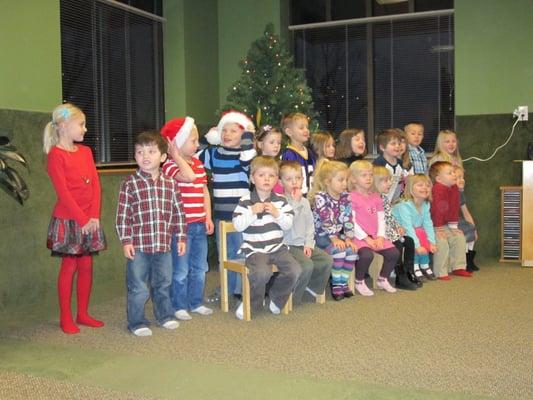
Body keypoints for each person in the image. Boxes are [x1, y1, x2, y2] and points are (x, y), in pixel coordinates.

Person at [43, 103, 106, 334]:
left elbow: (96, 186)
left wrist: (94, 216)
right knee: (69, 266)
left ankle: (83, 313)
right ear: (63, 126)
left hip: (89, 219)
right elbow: (64, 193)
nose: (85, 129)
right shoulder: (55, 156)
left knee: (87, 265)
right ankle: (65, 317)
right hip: (69, 220)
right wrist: (82, 219)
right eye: (81, 124)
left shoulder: (86, 152)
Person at [116, 131, 185, 336]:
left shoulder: (171, 184)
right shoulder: (130, 183)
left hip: (163, 246)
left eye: (151, 151)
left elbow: (178, 213)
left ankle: (165, 315)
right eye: (140, 152)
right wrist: (126, 241)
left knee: (163, 283)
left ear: (163, 157)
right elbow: (122, 215)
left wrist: (181, 237)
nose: (145, 156)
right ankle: (136, 322)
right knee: (138, 287)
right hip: (139, 247)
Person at [232, 156, 301, 319]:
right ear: (252, 178)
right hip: (255, 249)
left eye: (271, 176)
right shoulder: (245, 201)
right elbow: (238, 225)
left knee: (295, 270)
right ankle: (252, 303)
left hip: (278, 248)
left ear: (276, 180)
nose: (266, 179)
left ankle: (276, 300)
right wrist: (252, 212)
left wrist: (277, 214)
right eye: (261, 175)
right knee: (262, 273)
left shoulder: (281, 201)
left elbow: (288, 224)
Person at [161, 117, 214, 321]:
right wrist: (174, 154)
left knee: (199, 267)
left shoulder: (199, 165)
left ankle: (195, 302)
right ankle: (179, 305)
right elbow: (189, 177)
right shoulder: (170, 166)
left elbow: (203, 191)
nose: (197, 144)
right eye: (192, 140)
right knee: (181, 269)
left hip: (199, 224)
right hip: (180, 228)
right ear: (176, 143)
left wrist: (207, 216)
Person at [199, 110, 256, 297]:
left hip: (241, 215)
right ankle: (227, 288)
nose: (227, 134)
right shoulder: (215, 154)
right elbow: (196, 153)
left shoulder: (243, 156)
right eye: (224, 130)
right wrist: (209, 137)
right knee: (225, 254)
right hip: (221, 215)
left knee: (241, 252)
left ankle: (241, 289)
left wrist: (248, 133)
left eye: (234, 131)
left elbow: (249, 155)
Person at [280, 160, 333, 304]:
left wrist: (309, 244)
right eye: (289, 179)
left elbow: (310, 226)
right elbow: (287, 224)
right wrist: (295, 203)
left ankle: (311, 287)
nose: (294, 182)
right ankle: (294, 298)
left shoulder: (304, 202)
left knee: (326, 260)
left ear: (303, 179)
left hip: (303, 244)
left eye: (297, 178)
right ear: (280, 182)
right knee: (307, 265)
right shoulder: (280, 202)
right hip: (288, 245)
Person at [348, 161, 400, 295]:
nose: (368, 178)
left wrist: (381, 236)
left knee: (393, 253)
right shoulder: (351, 197)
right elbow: (351, 222)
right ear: (353, 179)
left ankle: (382, 278)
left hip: (376, 235)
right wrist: (366, 239)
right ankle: (359, 281)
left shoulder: (376, 197)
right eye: (364, 175)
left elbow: (381, 218)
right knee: (366, 255)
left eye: (370, 175)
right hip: (358, 237)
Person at [309, 160, 357, 301]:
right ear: (328, 181)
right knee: (339, 251)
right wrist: (334, 238)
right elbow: (326, 220)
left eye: (346, 180)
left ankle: (343, 282)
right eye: (340, 180)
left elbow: (348, 219)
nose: (344, 183)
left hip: (336, 235)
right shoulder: (321, 198)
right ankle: (336, 285)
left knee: (352, 251)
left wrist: (349, 237)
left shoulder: (345, 198)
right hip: (320, 236)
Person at [373, 166, 418, 290]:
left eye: (390, 180)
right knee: (396, 244)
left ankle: (409, 271)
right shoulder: (373, 200)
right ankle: (400, 275)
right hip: (378, 234)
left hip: (389, 232)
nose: (390, 183)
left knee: (409, 241)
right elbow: (376, 222)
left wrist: (398, 227)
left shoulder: (384, 198)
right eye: (386, 181)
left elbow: (390, 217)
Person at [429, 161, 471, 280]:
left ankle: (458, 267)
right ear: (438, 179)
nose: (454, 175)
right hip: (433, 225)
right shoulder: (437, 189)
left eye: (453, 172)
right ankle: (440, 272)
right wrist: (438, 229)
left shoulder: (454, 189)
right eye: (449, 173)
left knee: (459, 237)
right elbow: (437, 210)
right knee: (442, 242)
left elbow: (454, 209)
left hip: (446, 224)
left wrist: (454, 227)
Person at [392, 174, 437, 285]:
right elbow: (407, 227)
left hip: (414, 231)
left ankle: (424, 265)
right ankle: (415, 266)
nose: (425, 188)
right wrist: (417, 246)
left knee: (421, 233)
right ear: (410, 189)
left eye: (427, 185)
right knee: (416, 236)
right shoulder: (404, 205)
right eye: (420, 185)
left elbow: (428, 224)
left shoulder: (425, 204)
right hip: (396, 232)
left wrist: (432, 242)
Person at [280, 113, 317, 194]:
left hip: (311, 199)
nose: (306, 130)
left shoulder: (311, 153)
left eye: (307, 127)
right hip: (296, 200)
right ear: (289, 132)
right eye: (301, 128)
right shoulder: (288, 154)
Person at [373, 129, 411, 203]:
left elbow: (406, 179)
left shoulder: (400, 163)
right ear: (382, 147)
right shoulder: (378, 163)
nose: (397, 146)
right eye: (393, 144)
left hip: (393, 200)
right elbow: (374, 183)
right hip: (379, 201)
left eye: (399, 144)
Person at [454, 166, 479, 272]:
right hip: (449, 222)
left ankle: (469, 258)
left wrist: (474, 229)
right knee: (464, 232)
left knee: (471, 229)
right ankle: (463, 260)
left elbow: (466, 213)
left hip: (457, 220)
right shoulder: (448, 193)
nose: (462, 180)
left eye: (462, 177)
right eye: (458, 178)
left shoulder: (460, 194)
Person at [255, 125, 283, 194]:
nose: (276, 145)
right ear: (260, 144)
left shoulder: (279, 164)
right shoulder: (257, 165)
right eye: (272, 142)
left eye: (278, 143)